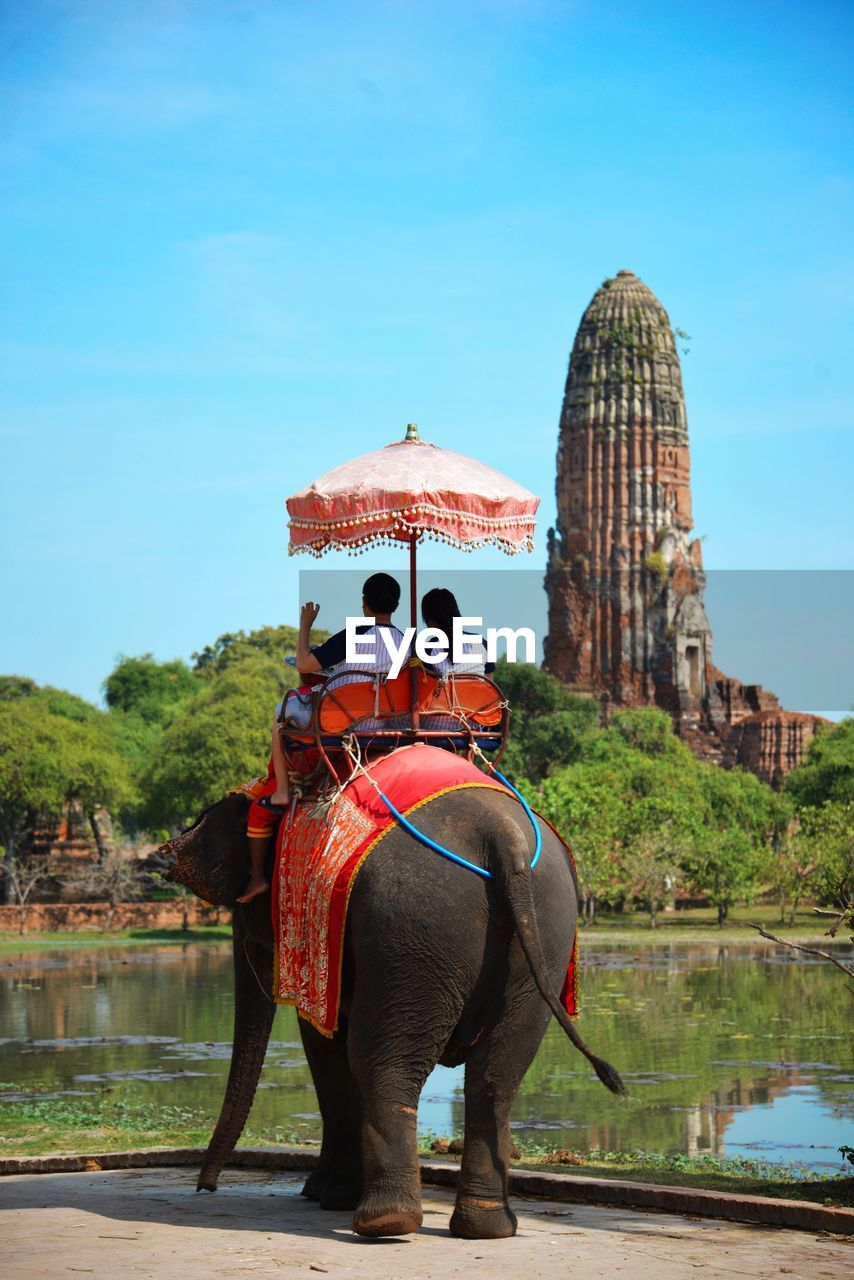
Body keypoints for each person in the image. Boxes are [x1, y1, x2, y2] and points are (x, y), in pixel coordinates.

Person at [237, 573, 407, 904]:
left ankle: (283, 790)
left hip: (344, 723)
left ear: (364, 603)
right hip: (388, 722)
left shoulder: (353, 636)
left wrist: (305, 625)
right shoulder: (406, 641)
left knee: (280, 712)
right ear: (397, 605)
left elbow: (303, 663)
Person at [420, 587, 494, 676]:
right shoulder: (481, 643)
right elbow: (489, 686)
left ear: (431, 622)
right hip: (478, 690)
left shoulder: (428, 649)